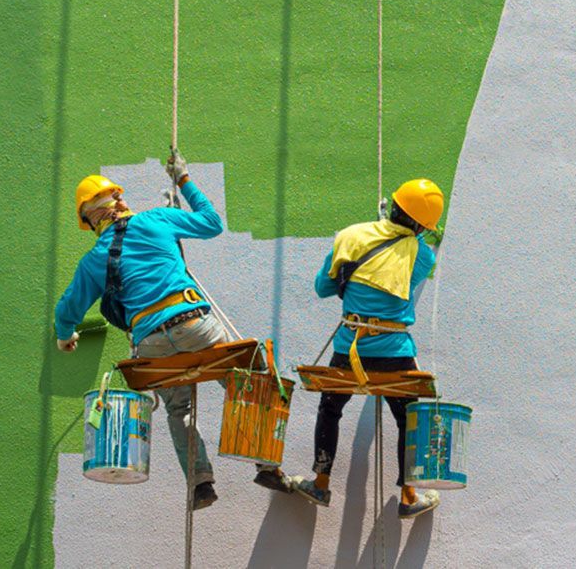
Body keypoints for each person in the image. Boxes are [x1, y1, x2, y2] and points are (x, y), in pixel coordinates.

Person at [54, 150, 292, 509]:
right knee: (247, 382)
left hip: (151, 344)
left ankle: (200, 484)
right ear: (119, 200)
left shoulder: (94, 260)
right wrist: (183, 179)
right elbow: (211, 223)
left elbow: (67, 309)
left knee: (179, 409)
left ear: (90, 221)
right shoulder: (157, 219)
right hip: (193, 324)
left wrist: (65, 337)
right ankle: (266, 465)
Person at [291, 178, 445, 519]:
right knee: (409, 418)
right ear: (421, 226)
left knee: (330, 408)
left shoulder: (350, 236)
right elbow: (404, 270)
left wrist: (373, 232)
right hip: (394, 353)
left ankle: (321, 482)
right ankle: (408, 495)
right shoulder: (422, 255)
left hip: (350, 349)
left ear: (393, 205)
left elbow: (322, 288)